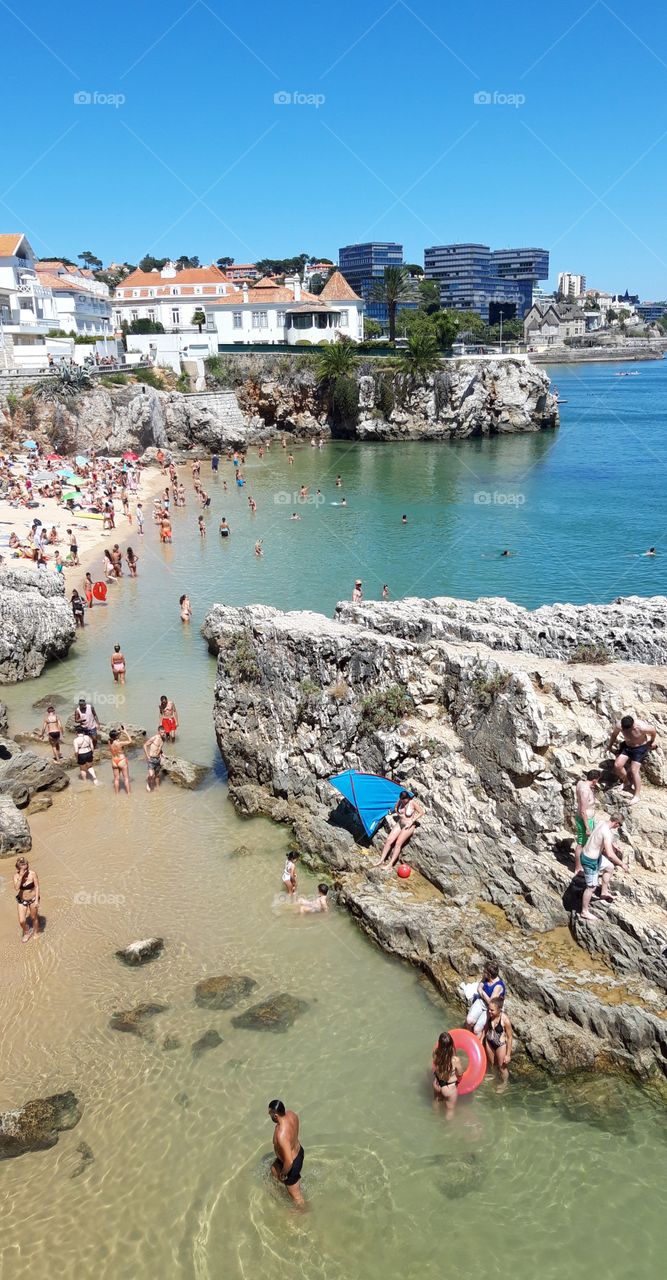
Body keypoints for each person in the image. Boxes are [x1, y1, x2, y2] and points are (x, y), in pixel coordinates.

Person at [579, 814, 627, 921]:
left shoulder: (601, 822)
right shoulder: (607, 832)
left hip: (595, 857)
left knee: (609, 867)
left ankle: (604, 892)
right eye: (620, 825)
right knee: (591, 887)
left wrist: (612, 844)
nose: (618, 827)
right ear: (616, 823)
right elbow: (609, 854)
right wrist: (622, 864)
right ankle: (584, 911)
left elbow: (598, 836)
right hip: (589, 860)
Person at [609, 714, 658, 804]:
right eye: (623, 729)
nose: (624, 731)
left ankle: (637, 795)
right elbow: (614, 735)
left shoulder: (642, 727)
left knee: (634, 770)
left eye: (626, 730)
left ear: (633, 726)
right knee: (617, 765)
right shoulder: (620, 725)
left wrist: (651, 741)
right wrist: (610, 745)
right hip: (627, 747)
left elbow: (653, 731)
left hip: (640, 748)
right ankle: (626, 782)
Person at [268, 1100, 305, 1208]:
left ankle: (303, 1214)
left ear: (275, 1115)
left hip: (291, 1165)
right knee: (274, 1169)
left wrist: (283, 1174)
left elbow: (289, 1161)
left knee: (297, 1198)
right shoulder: (292, 1114)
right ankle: (282, 1192)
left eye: (270, 1114)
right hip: (299, 1151)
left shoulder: (281, 1134)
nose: (269, 1116)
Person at [374, 791, 424, 869]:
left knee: (398, 843)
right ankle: (381, 860)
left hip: (408, 825)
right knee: (389, 840)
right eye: (402, 799)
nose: (403, 801)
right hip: (400, 823)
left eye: (404, 799)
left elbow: (421, 812)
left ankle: (390, 864)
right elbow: (396, 808)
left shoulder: (412, 803)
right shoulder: (400, 800)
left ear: (407, 798)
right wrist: (398, 813)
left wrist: (412, 820)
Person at [466, 961, 506, 1038]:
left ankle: (477, 1044)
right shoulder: (486, 978)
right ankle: (468, 1037)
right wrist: (483, 993)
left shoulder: (498, 986)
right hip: (481, 1001)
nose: (483, 972)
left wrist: (483, 993)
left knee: (477, 1029)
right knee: (469, 1020)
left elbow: (491, 1003)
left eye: (484, 971)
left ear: (489, 974)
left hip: (491, 1008)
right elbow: (479, 988)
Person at [574, 769, 601, 873]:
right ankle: (578, 867)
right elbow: (583, 811)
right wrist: (587, 827)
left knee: (585, 843)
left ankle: (581, 864)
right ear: (594, 780)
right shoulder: (585, 791)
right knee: (581, 843)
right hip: (584, 819)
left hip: (584, 818)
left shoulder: (580, 783)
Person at [431, 1031, 463, 1117]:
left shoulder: (435, 1053)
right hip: (449, 1088)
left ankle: (435, 1119)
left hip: (437, 1084)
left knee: (436, 1101)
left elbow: (435, 1065)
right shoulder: (455, 1060)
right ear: (451, 1044)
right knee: (450, 1110)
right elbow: (460, 1074)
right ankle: (447, 1129)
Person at [484, 998, 513, 1088]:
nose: (489, 1011)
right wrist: (481, 1040)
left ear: (499, 1009)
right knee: (492, 1063)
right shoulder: (489, 1015)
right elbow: (486, 1028)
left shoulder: (505, 1020)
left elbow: (510, 1037)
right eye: (489, 1009)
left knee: (502, 1067)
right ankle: (494, 1076)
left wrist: (508, 1055)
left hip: (500, 1045)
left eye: (492, 1010)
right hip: (489, 1041)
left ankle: (504, 1083)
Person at [14, 857, 40, 943]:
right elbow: (16, 888)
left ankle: (35, 932)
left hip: (33, 899)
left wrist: (36, 900)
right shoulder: (16, 876)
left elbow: (37, 887)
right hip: (22, 900)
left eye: (27, 868)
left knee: (34, 917)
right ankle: (27, 932)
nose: (26, 870)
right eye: (24, 869)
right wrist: (21, 876)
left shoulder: (33, 874)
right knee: (22, 921)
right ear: (19, 869)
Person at [109, 726, 132, 796]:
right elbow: (130, 741)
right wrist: (125, 732)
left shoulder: (109, 742)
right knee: (126, 778)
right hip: (121, 760)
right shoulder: (120, 743)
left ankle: (117, 795)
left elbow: (113, 736)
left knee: (116, 779)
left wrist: (119, 732)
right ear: (116, 736)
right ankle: (128, 794)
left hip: (114, 761)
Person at [144, 726, 167, 792]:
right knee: (151, 775)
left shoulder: (163, 739)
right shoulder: (154, 738)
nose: (163, 733)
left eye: (164, 732)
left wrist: (162, 754)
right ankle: (148, 784)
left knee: (157, 775)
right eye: (162, 732)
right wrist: (147, 755)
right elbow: (145, 745)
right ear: (158, 732)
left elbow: (160, 748)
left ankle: (158, 787)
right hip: (151, 758)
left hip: (158, 759)